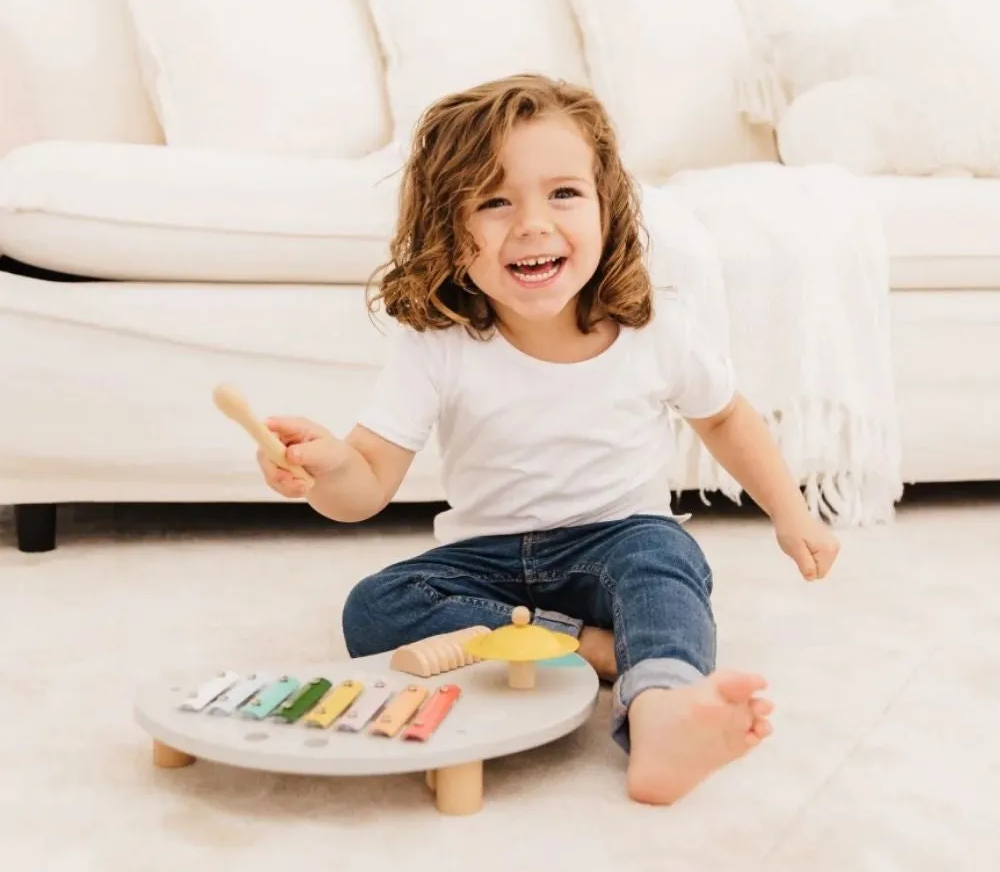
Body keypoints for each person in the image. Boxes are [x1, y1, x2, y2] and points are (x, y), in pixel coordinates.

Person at [255, 73, 841, 805]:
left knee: (666, 559)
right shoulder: (439, 342)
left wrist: (791, 512)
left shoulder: (652, 328)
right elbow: (365, 485)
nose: (532, 223)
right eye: (495, 201)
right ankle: (593, 648)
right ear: (448, 226)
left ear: (606, 206)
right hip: (487, 562)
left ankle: (660, 717)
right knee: (376, 605)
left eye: (563, 194)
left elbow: (724, 416)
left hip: (615, 542)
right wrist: (328, 466)